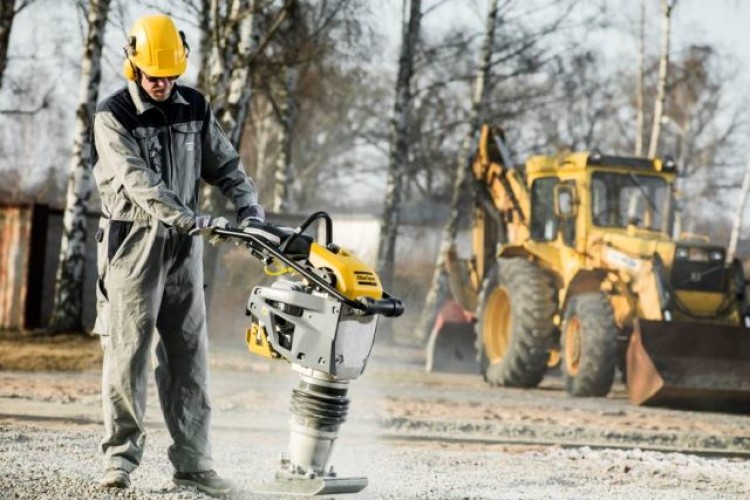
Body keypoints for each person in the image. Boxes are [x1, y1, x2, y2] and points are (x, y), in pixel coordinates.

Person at [90, 13, 264, 496]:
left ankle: (194, 464)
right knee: (127, 357)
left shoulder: (195, 107)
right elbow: (139, 182)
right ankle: (120, 461)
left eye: (169, 75)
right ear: (134, 67)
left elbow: (225, 162)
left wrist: (247, 204)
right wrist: (191, 218)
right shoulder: (113, 116)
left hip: (183, 252)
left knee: (189, 358)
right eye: (152, 75)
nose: (161, 83)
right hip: (133, 245)